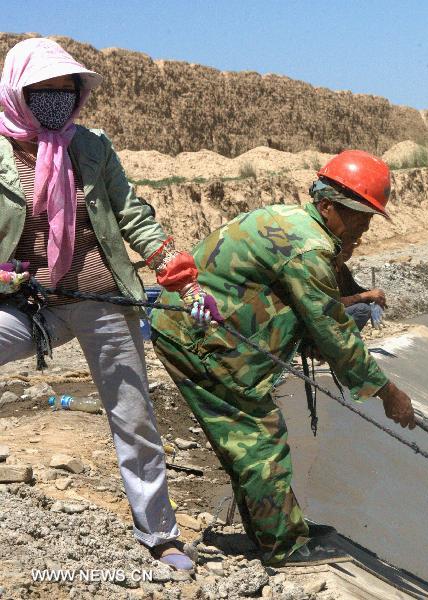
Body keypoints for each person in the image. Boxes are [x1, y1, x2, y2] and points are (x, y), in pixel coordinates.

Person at [0, 38, 220, 570]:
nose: (56, 100)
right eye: (43, 91)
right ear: (17, 91)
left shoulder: (93, 148)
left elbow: (134, 216)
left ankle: (160, 533)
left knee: (134, 415)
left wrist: (185, 282)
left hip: (99, 295)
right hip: (30, 300)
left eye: (65, 91)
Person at [150, 149, 415, 566]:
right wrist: (387, 392)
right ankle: (283, 546)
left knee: (251, 437)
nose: (364, 228)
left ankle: (276, 530)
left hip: (205, 331)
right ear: (327, 205)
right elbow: (333, 329)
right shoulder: (308, 248)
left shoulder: (294, 222)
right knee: (258, 437)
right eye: (359, 216)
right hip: (197, 337)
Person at [335, 241, 387, 333]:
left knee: (365, 304)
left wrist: (375, 297)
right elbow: (332, 303)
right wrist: (366, 295)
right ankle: (342, 343)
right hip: (323, 316)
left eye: (351, 248)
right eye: (345, 247)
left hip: (335, 314)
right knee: (362, 309)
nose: (348, 251)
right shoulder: (328, 270)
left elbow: (355, 291)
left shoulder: (343, 268)